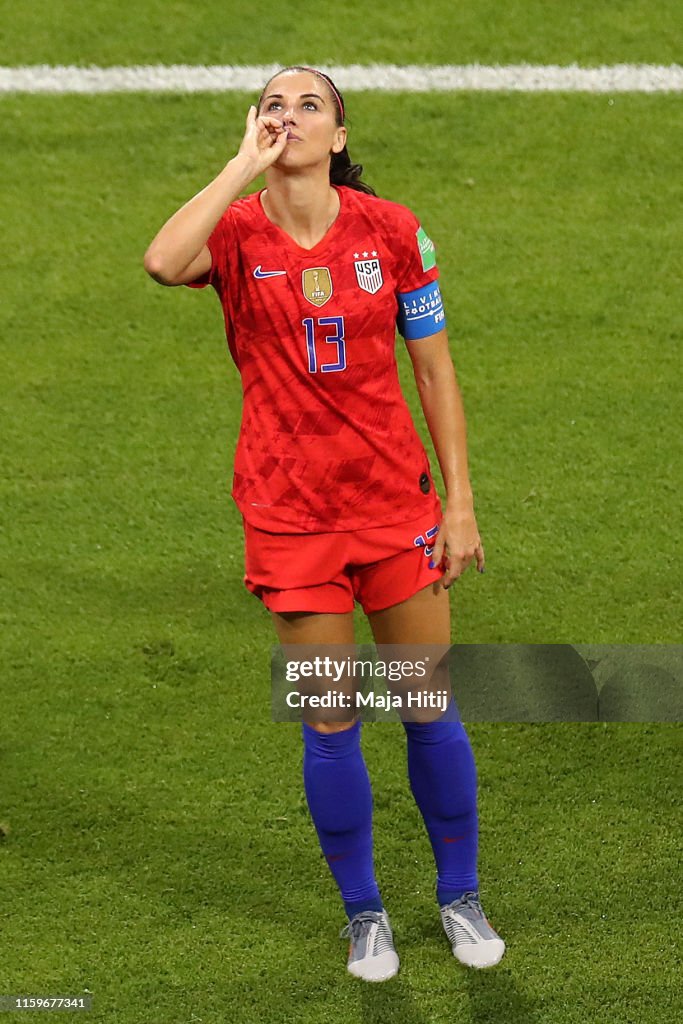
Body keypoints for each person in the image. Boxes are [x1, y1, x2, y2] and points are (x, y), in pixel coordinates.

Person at [144, 65, 505, 982]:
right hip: (290, 521)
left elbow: (434, 373)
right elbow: (160, 260)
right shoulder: (230, 237)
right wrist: (237, 166)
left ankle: (459, 897)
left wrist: (458, 504)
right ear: (255, 125)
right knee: (332, 722)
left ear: (339, 137)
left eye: (310, 106)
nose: (290, 116)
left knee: (427, 707)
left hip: (393, 510)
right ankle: (364, 916)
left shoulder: (393, 233)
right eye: (274, 104)